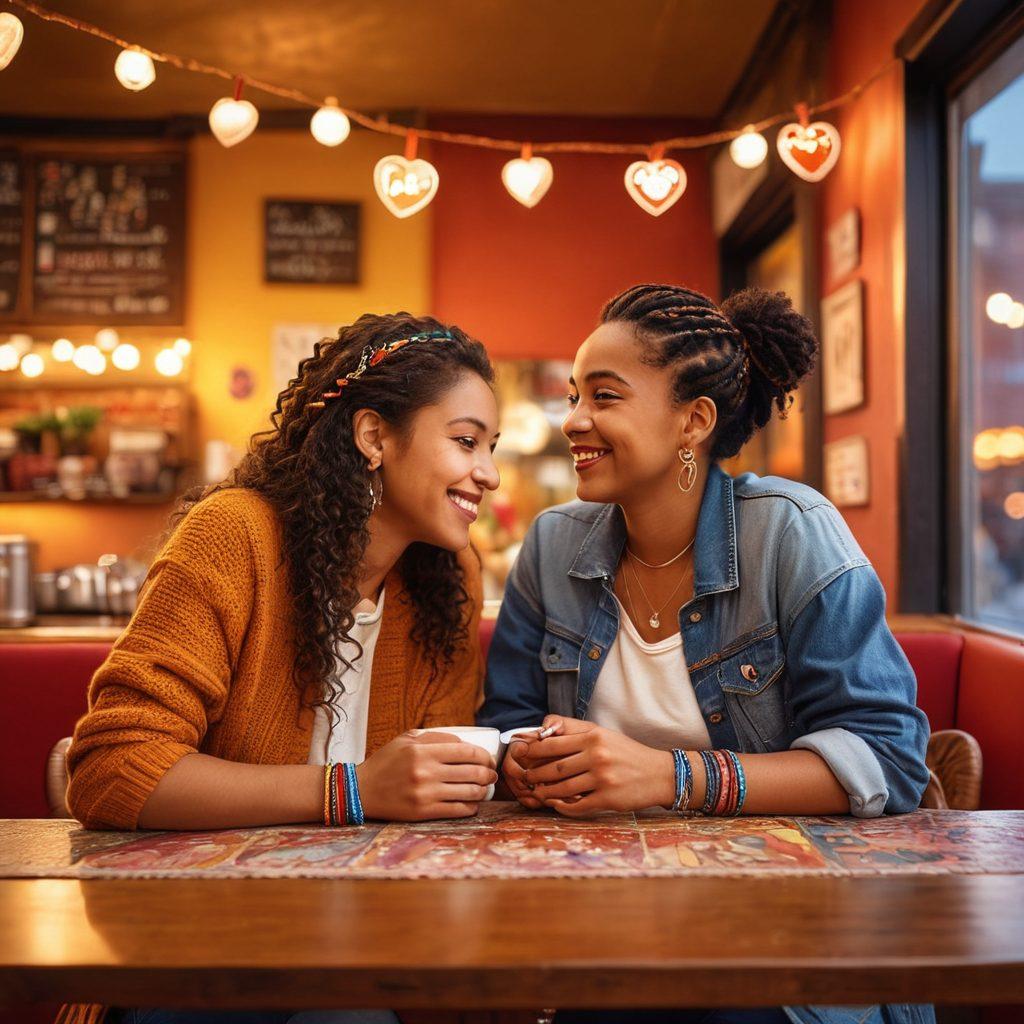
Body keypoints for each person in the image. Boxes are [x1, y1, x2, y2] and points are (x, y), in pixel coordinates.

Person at [480, 284, 933, 1024]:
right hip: (600, 919)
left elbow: (886, 760)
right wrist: (522, 758)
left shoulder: (790, 533)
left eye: (605, 396)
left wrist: (668, 776)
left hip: (785, 932)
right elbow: (507, 721)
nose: (574, 420)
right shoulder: (554, 544)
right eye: (573, 394)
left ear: (692, 421)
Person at [64, 313, 501, 1024]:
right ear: (373, 437)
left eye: (492, 447)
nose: (489, 472)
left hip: (364, 940)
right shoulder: (234, 537)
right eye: (465, 442)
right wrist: (354, 791)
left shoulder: (447, 584)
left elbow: (428, 817)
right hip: (194, 938)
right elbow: (113, 769)